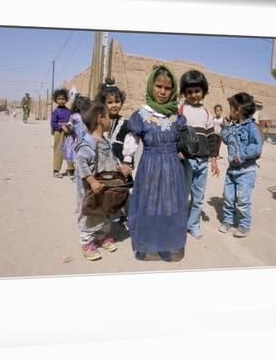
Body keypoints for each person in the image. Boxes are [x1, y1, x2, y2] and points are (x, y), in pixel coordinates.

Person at [122, 65, 188, 262]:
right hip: (150, 167)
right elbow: (132, 138)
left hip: (172, 170)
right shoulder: (142, 114)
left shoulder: (176, 116)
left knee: (168, 206)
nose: (162, 91)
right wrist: (127, 159)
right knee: (150, 205)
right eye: (158, 86)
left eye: (167, 88)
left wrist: (184, 151)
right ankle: (147, 244)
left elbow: (183, 139)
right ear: (151, 86)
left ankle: (167, 244)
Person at [74, 102, 131, 261]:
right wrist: (91, 180)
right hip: (92, 190)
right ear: (101, 119)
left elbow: (112, 157)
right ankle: (86, 244)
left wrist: (121, 166)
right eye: (108, 117)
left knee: (105, 212)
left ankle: (102, 236)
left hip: (106, 187)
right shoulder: (87, 144)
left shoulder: (106, 141)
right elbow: (81, 162)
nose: (110, 120)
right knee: (90, 214)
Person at [178, 70, 220, 240]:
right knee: (183, 195)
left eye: (197, 91)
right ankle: (180, 225)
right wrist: (177, 151)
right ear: (184, 93)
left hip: (202, 162)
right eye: (189, 92)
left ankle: (193, 225)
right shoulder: (180, 110)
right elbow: (174, 134)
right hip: (186, 162)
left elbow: (211, 138)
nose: (194, 95)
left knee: (198, 198)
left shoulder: (207, 113)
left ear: (203, 91)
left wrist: (214, 160)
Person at [219, 92, 263, 238]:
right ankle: (227, 220)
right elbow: (225, 140)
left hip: (246, 171)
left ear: (237, 109)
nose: (229, 111)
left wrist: (243, 154)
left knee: (243, 200)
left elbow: (257, 146)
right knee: (228, 197)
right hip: (232, 170)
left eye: (231, 108)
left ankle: (244, 224)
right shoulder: (233, 126)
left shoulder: (251, 127)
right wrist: (225, 127)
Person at [94, 78, 133, 226]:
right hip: (104, 162)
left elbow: (130, 145)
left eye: (117, 101)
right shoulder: (99, 121)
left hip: (120, 162)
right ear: (103, 103)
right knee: (106, 190)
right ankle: (110, 217)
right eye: (109, 102)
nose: (114, 105)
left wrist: (127, 163)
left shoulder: (127, 123)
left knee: (123, 190)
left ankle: (130, 217)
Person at [62, 94, 92, 182]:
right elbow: (69, 123)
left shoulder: (88, 115)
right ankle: (77, 175)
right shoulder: (74, 115)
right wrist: (70, 127)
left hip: (85, 138)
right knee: (76, 159)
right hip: (76, 139)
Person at [50, 89, 74, 178]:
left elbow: (72, 121)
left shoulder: (69, 111)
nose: (61, 101)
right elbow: (53, 124)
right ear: (56, 100)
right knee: (58, 151)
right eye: (59, 99)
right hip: (59, 133)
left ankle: (71, 170)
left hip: (68, 132)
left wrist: (70, 126)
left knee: (70, 150)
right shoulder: (55, 112)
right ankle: (56, 170)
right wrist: (61, 126)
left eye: (63, 99)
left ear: (66, 100)